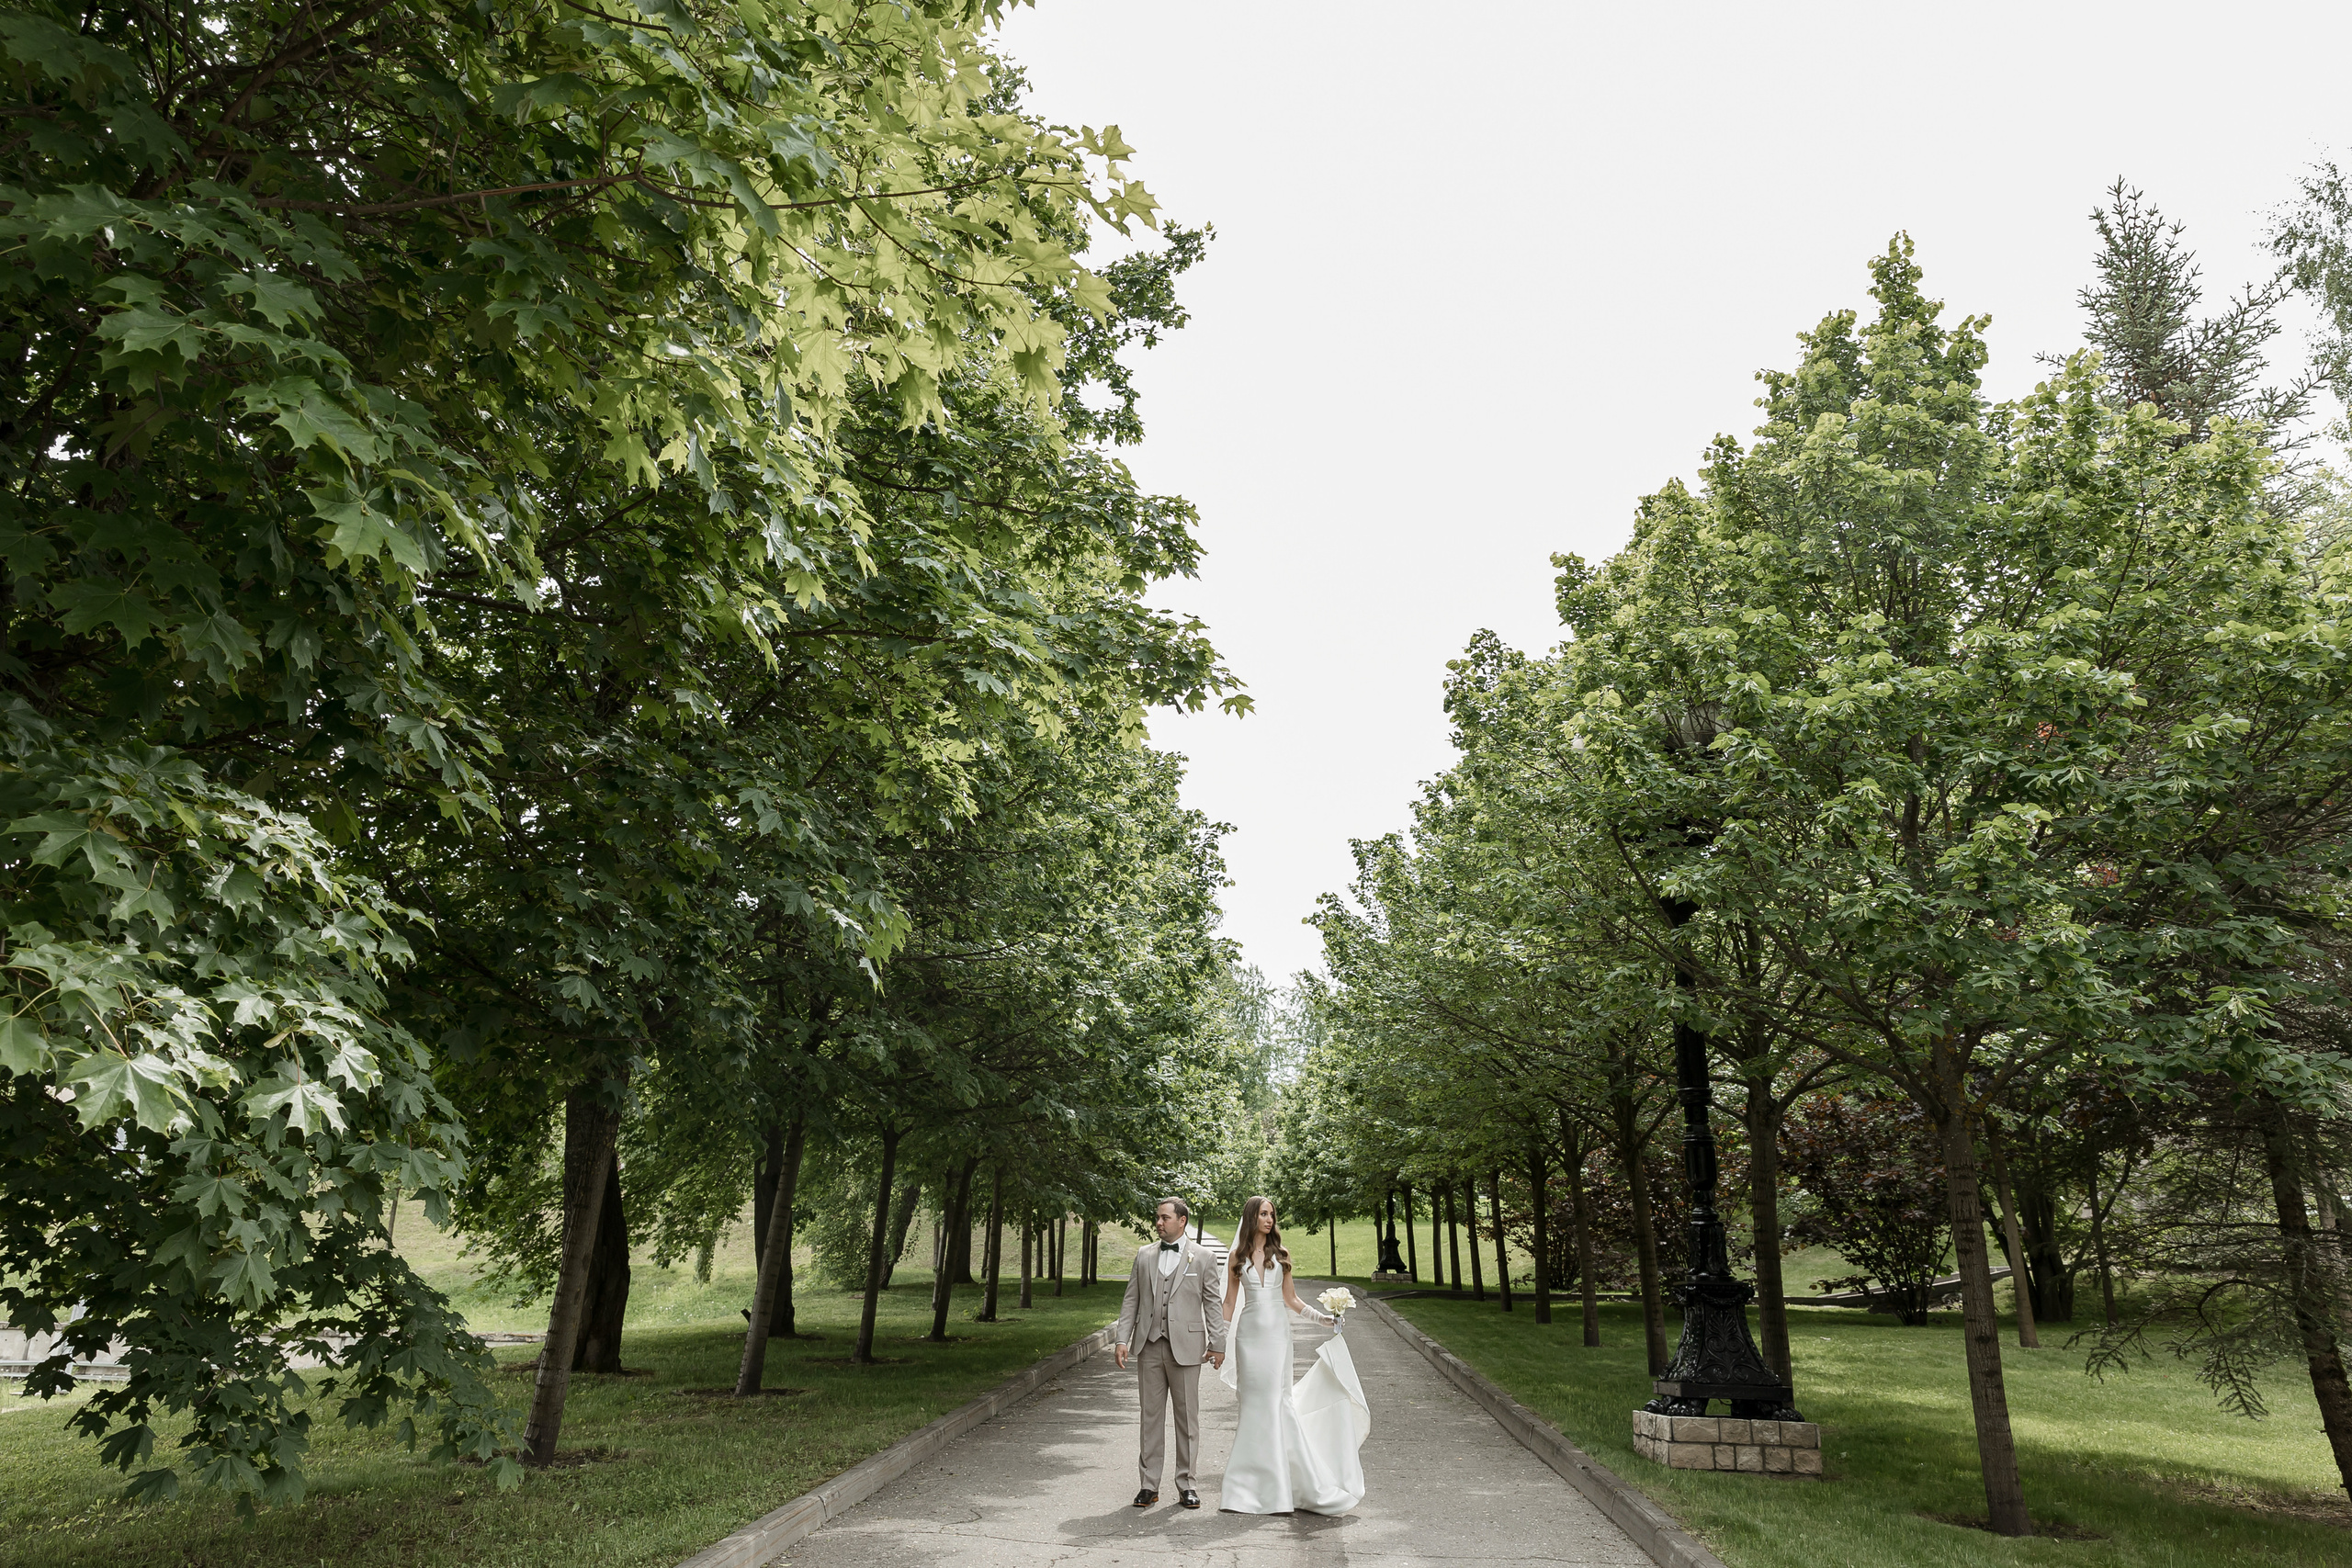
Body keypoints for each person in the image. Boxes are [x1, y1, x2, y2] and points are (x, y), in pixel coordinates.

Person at [1217, 1193, 1370, 1515]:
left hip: (1277, 1338)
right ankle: (1244, 1489)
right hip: (1248, 1337)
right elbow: (1229, 1304)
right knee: (1253, 1404)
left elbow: (1293, 1300)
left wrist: (1323, 1318)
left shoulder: (1282, 1254)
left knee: (1276, 1403)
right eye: (1263, 1214)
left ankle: (1280, 1488)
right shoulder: (1236, 1257)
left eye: (1272, 1214)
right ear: (1251, 1218)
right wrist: (1217, 1341)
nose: (1269, 1219)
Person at [1112, 1196, 1226, 1509]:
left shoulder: (1202, 1257)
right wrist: (1122, 1339)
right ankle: (1149, 1485)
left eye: (1164, 1218)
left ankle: (1187, 1484)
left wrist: (1218, 1343)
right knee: (1150, 1418)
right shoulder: (1144, 1255)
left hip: (1187, 1349)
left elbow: (1212, 1303)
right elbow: (1131, 1300)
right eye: (1158, 1218)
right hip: (1148, 1346)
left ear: (1182, 1221)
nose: (1158, 1223)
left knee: (1187, 1419)